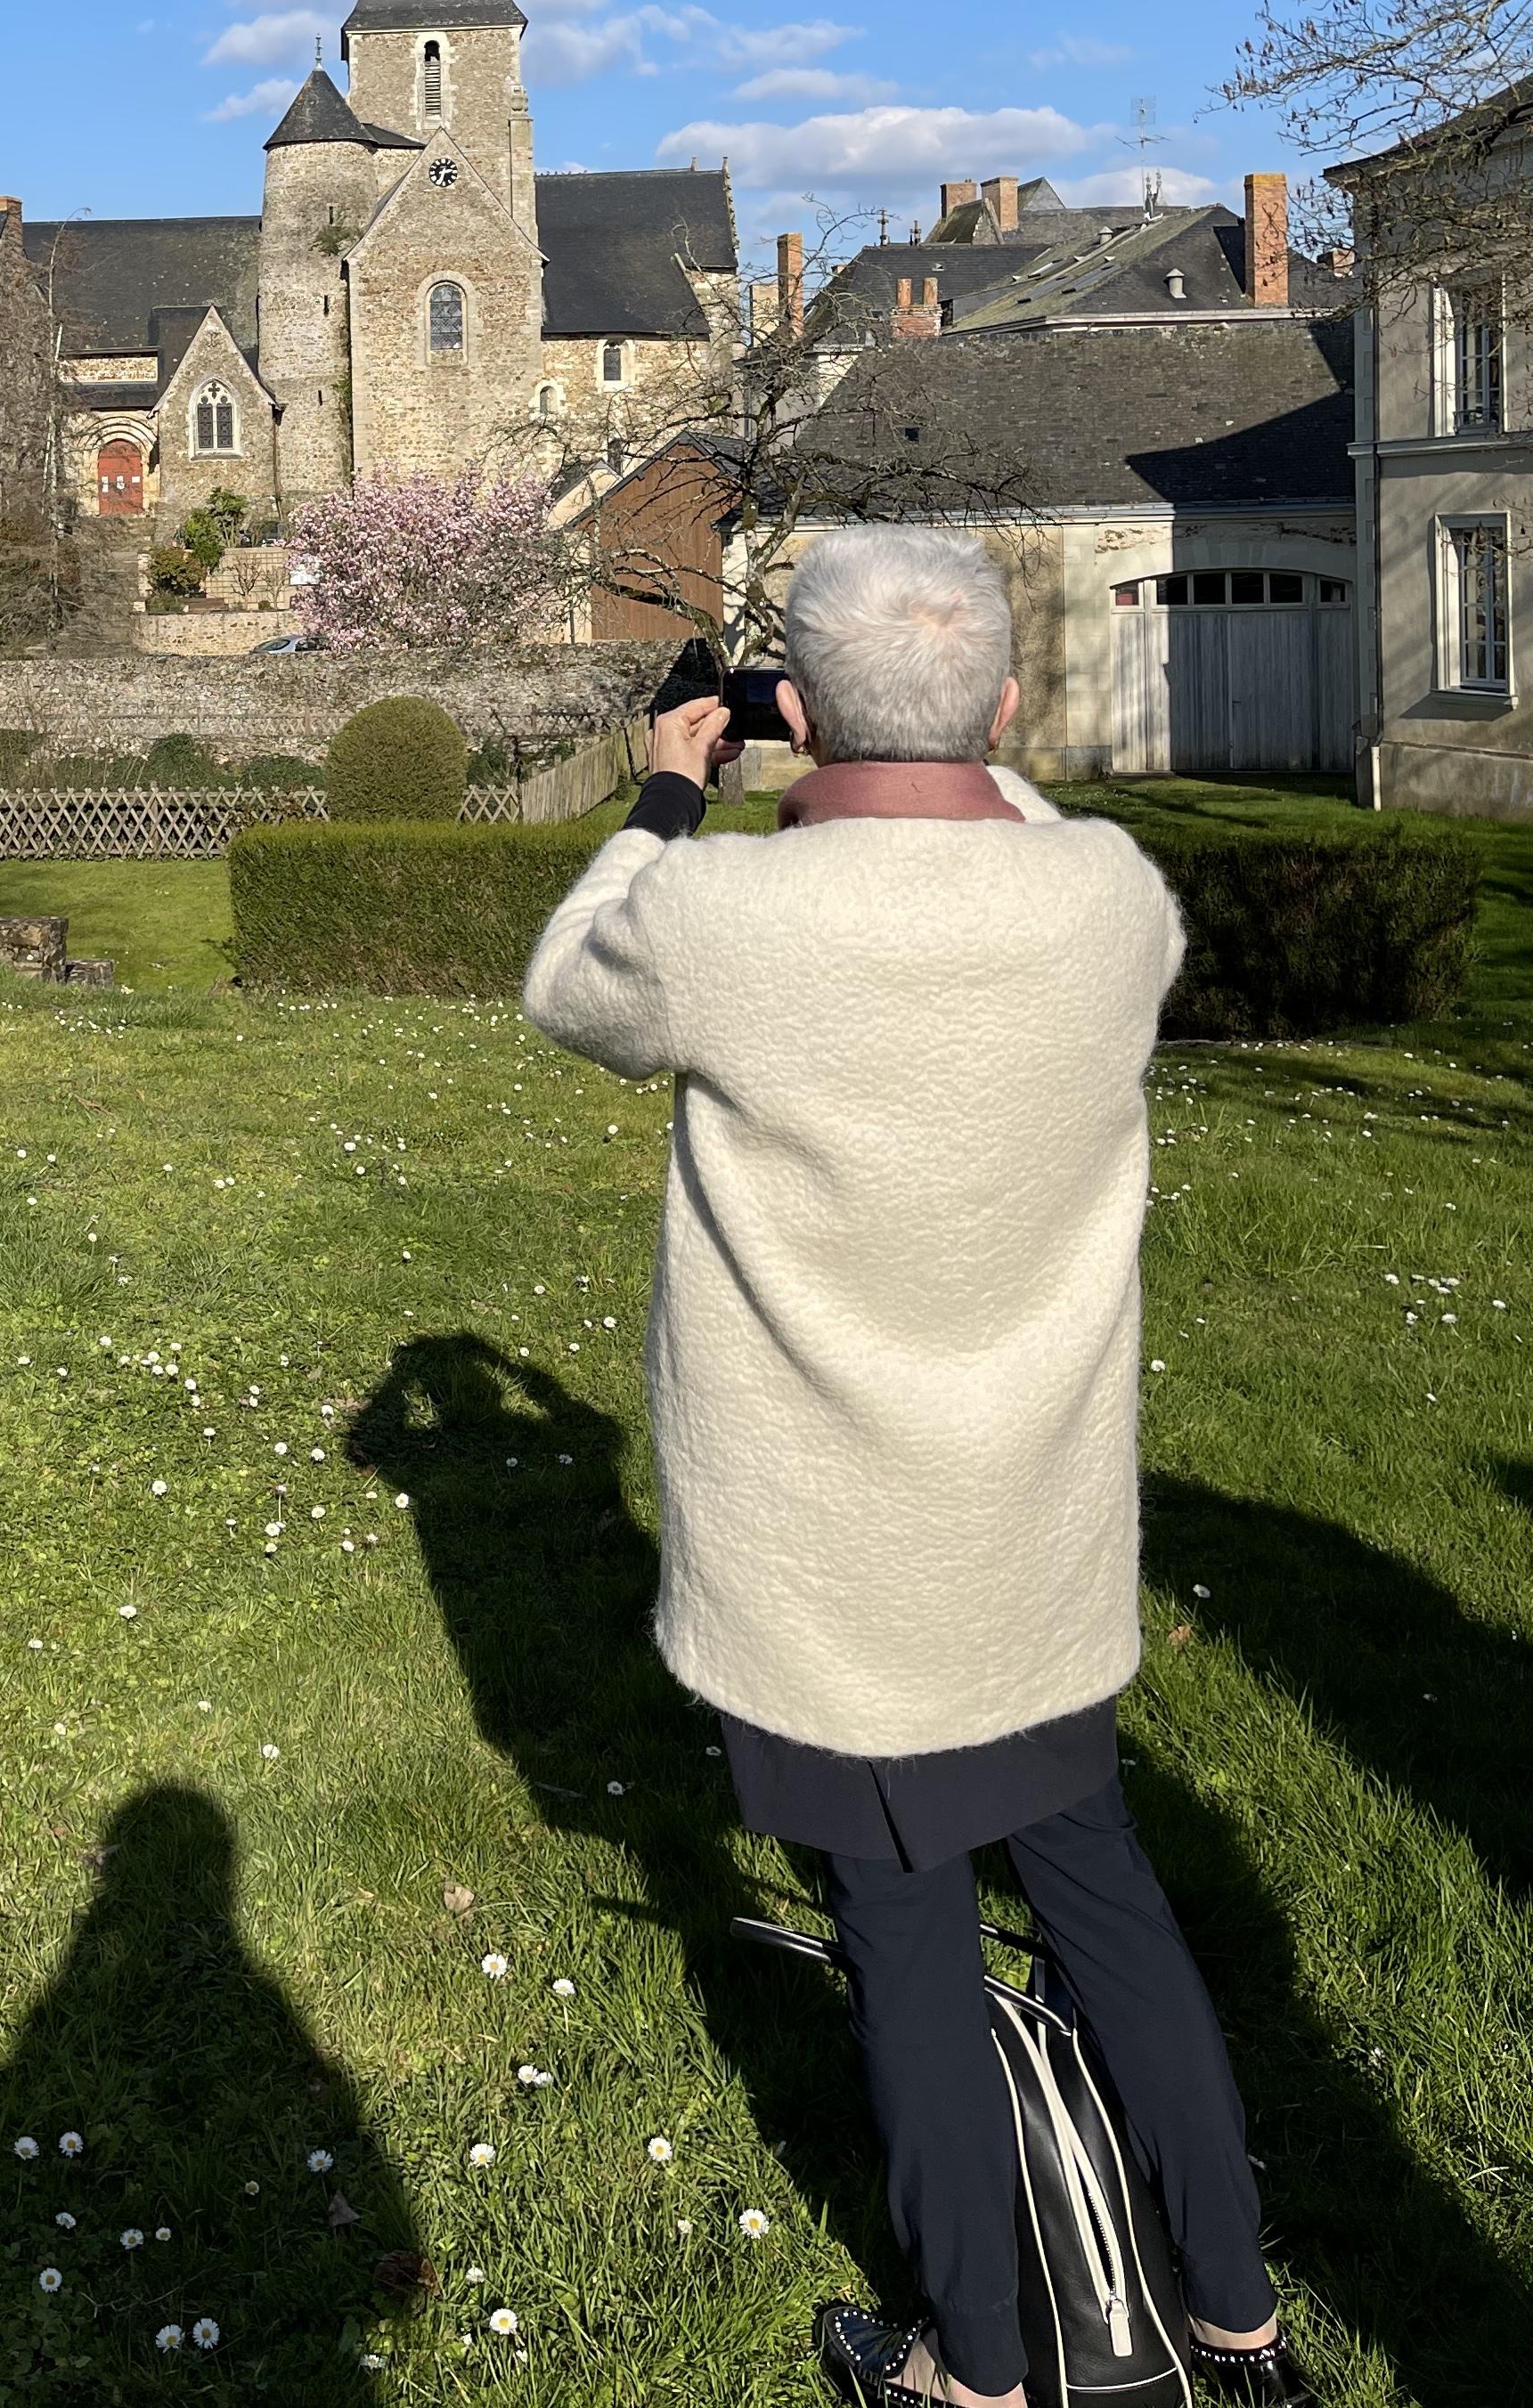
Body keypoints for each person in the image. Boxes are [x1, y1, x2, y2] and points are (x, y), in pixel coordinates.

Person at [520, 526, 1311, 2408]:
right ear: (1013, 709)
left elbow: (571, 977)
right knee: (1106, 1895)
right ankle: (1238, 2319)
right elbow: (1003, 811)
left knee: (903, 1927)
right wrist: (937, 728)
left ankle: (979, 2364)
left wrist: (676, 782)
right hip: (1030, 1528)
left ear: (796, 710)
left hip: (830, 1553)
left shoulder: (730, 929)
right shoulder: (1110, 895)